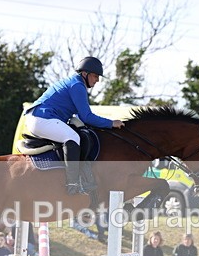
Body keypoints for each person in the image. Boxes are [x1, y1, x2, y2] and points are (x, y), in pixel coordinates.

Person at [22, 56, 125, 195]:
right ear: (85, 74)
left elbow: (79, 116)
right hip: (42, 118)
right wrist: (111, 123)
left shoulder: (75, 83)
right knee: (73, 137)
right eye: (95, 76)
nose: (97, 80)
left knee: (75, 134)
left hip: (39, 118)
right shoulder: (77, 86)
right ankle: (73, 184)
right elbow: (87, 116)